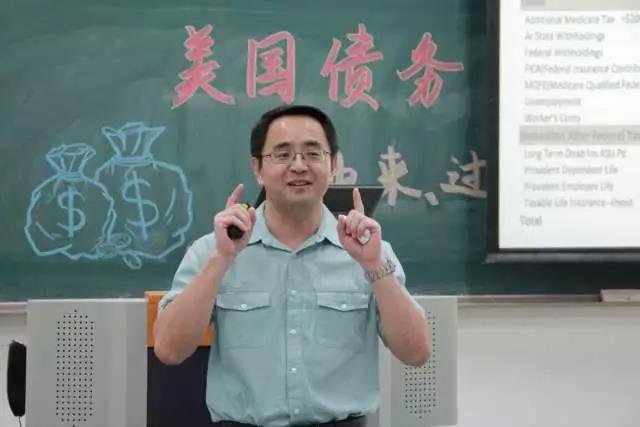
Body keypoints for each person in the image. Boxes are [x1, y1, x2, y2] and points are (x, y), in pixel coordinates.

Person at [154, 105, 431, 427]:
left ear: (333, 164)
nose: (298, 166)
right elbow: (169, 350)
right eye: (283, 155)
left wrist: (374, 266)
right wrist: (221, 259)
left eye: (313, 154)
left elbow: (416, 353)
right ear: (258, 168)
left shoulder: (369, 250)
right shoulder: (214, 249)